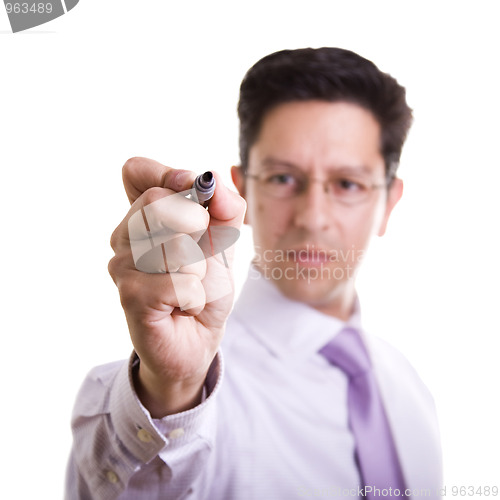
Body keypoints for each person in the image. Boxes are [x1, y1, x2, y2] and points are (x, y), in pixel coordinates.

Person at [65, 47, 442, 500]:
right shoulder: (196, 398)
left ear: (388, 204)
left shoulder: (410, 392)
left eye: (347, 184)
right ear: (241, 190)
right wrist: (171, 387)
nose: (313, 216)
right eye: (283, 178)